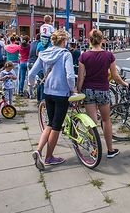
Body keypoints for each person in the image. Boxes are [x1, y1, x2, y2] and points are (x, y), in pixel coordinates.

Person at [77, 29, 129, 159]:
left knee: (91, 122)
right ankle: (110, 150)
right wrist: (124, 84)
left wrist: (78, 90)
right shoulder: (108, 55)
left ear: (89, 40)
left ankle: (94, 149)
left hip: (88, 90)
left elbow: (81, 77)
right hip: (103, 90)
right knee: (106, 120)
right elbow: (115, 76)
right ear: (102, 40)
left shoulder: (84, 56)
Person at [30, 30, 77, 170]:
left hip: (48, 92)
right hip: (61, 93)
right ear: (63, 41)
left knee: (50, 123)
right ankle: (49, 157)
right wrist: (73, 89)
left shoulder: (43, 54)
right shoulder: (65, 54)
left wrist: (32, 86)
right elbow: (70, 75)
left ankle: (38, 150)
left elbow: (32, 73)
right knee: (56, 126)